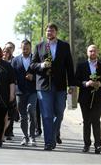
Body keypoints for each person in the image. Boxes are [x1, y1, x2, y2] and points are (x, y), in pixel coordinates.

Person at [30, 23, 75, 151]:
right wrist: (42, 65)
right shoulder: (39, 46)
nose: (49, 33)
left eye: (52, 31)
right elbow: (32, 65)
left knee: (59, 113)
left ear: (56, 32)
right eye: (48, 31)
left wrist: (71, 84)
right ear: (45, 33)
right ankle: (49, 142)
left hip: (60, 85)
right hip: (44, 86)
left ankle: (54, 133)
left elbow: (70, 67)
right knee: (47, 115)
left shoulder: (64, 46)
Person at [75, 45, 101, 154]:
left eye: (94, 51)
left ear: (97, 52)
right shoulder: (81, 66)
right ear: (87, 53)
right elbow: (76, 81)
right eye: (90, 51)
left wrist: (100, 84)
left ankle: (98, 145)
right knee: (86, 122)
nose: (92, 53)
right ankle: (86, 144)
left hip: (98, 98)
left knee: (96, 121)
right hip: (84, 98)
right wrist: (86, 83)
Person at [11, 39, 37, 146]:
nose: (25, 50)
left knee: (31, 110)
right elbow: (12, 76)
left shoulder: (35, 59)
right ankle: (25, 137)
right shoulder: (16, 60)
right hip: (20, 92)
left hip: (32, 90)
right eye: (23, 48)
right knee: (23, 116)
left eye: (27, 48)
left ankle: (32, 137)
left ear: (31, 48)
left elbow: (41, 74)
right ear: (20, 48)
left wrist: (33, 77)